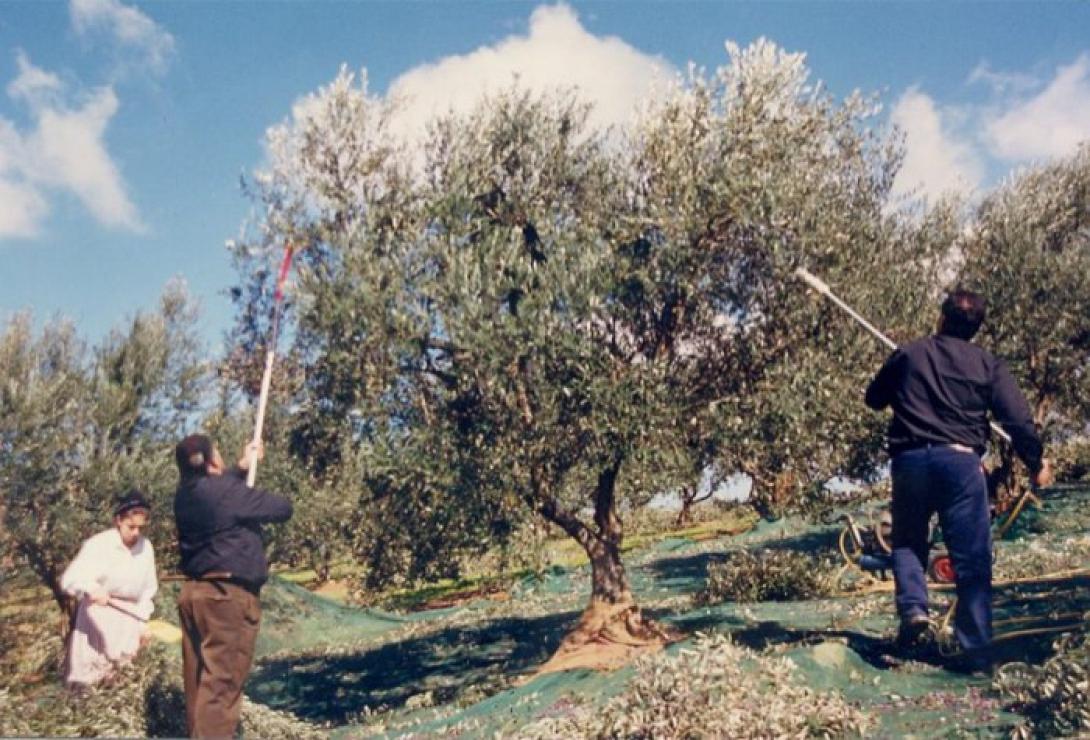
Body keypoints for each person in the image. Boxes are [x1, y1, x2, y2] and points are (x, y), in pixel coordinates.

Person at [865, 289, 1054, 673]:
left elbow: (874, 398)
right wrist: (1036, 463)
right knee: (971, 556)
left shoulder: (910, 354)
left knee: (908, 541)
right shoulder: (988, 365)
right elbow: (1018, 420)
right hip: (960, 462)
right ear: (976, 328)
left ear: (941, 318)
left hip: (911, 460)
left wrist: (904, 377)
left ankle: (914, 610)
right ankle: (975, 648)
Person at [173, 434, 292, 738]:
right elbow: (281, 508)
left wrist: (241, 468)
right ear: (213, 462)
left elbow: (215, 490)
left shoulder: (184, 495)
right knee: (222, 685)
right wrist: (240, 475)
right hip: (226, 598)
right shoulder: (227, 491)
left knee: (200, 684)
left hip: (195, 594)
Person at [60, 490, 157, 688]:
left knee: (122, 681)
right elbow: (70, 579)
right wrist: (91, 588)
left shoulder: (146, 548)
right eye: (131, 527)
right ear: (118, 521)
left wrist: (144, 623)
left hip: (129, 619)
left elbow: (148, 590)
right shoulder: (99, 544)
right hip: (97, 618)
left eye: (141, 527)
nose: (136, 533)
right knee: (90, 681)